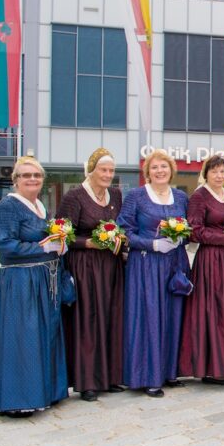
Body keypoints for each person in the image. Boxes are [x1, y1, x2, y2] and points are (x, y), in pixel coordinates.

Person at [0, 156, 69, 416]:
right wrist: (42, 247)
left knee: (44, 334)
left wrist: (59, 245)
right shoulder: (8, 206)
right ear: (15, 181)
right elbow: (4, 245)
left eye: (36, 174)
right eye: (26, 175)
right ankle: (17, 399)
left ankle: (47, 391)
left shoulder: (40, 206)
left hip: (44, 279)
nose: (32, 179)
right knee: (21, 338)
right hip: (20, 281)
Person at [118, 149, 191, 397]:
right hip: (146, 265)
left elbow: (188, 228)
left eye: (164, 167)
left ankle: (169, 371)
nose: (160, 171)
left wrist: (180, 238)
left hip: (174, 263)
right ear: (147, 172)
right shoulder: (137, 196)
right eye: (154, 167)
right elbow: (124, 230)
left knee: (173, 315)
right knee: (149, 317)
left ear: (171, 170)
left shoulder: (180, 196)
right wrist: (151, 244)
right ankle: (148, 376)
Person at [58, 148, 126, 402]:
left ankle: (109, 377)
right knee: (88, 319)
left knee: (110, 316)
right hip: (85, 265)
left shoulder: (116, 195)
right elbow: (61, 234)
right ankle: (87, 381)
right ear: (91, 170)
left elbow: (121, 225)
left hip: (110, 265)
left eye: (111, 170)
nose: (108, 175)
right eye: (103, 170)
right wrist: (89, 244)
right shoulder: (75, 197)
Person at [179, 154, 224, 384]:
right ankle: (213, 367)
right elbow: (194, 231)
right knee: (215, 310)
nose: (219, 176)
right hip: (211, 260)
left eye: (222, 172)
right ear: (206, 173)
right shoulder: (199, 196)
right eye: (215, 171)